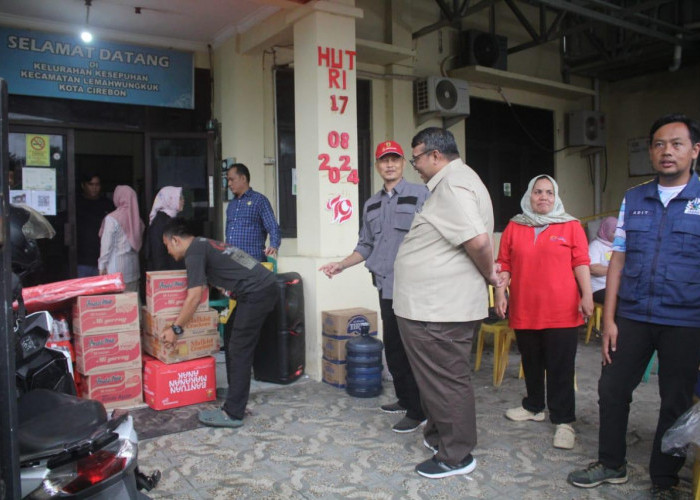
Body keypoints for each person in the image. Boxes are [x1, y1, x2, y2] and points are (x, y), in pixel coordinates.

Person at [568, 114, 700, 498]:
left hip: (685, 320)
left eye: (676, 144)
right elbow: (618, 262)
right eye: (659, 144)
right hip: (633, 315)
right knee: (612, 389)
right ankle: (611, 464)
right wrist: (609, 319)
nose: (666, 152)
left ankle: (665, 479)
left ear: (694, 151)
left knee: (674, 399)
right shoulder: (634, 198)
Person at [393, 127, 501, 479]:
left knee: (446, 380)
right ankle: (440, 434)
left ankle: (456, 455)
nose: (415, 167)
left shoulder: (453, 184)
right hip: (430, 306)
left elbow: (480, 243)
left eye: (416, 159)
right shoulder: (454, 182)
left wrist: (492, 277)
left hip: (441, 309)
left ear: (435, 155)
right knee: (434, 379)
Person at [319, 140, 429, 433]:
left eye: (394, 159)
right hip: (386, 287)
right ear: (377, 166)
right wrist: (341, 265)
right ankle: (406, 399)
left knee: (413, 350)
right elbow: (366, 245)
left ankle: (420, 411)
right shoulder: (372, 204)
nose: (389, 164)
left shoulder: (421, 194)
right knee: (393, 348)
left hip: (414, 287)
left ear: (404, 163)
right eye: (383, 160)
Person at [494, 175, 593, 450]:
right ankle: (534, 406)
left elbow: (581, 263)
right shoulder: (515, 226)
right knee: (532, 362)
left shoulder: (571, 225)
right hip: (525, 308)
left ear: (556, 196)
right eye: (538, 192)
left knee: (561, 367)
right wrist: (500, 294)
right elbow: (504, 264)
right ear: (529, 195)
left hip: (562, 310)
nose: (544, 197)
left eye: (549, 192)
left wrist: (586, 295)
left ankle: (563, 421)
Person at [160, 217, 278, 428]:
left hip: (256, 292)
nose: (168, 251)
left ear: (176, 240)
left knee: (239, 348)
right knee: (232, 336)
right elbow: (243, 261)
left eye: (167, 245)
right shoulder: (206, 243)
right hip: (260, 287)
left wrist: (176, 328)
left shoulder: (194, 252)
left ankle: (233, 413)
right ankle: (236, 395)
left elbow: (194, 296)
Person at [225, 163, 281, 262]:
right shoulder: (231, 205)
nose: (229, 184)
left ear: (243, 178)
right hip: (231, 261)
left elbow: (273, 226)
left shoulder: (259, 200)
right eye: (228, 180)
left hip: (252, 260)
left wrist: (274, 245)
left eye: (232, 179)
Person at [98, 185, 144, 293]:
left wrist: (102, 267)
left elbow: (106, 246)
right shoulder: (138, 220)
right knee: (132, 305)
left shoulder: (112, 219)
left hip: (115, 271)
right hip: (133, 271)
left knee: (118, 306)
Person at [76, 172, 114, 277]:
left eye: (97, 185)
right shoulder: (76, 203)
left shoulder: (107, 204)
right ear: (83, 185)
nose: (94, 188)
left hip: (102, 258)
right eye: (91, 184)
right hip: (82, 259)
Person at [145, 186, 185, 271]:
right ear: (169, 200)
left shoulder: (168, 219)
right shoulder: (161, 222)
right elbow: (158, 253)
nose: (183, 201)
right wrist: (162, 277)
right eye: (179, 198)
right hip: (166, 276)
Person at [588, 216, 617, 304]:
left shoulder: (619, 246)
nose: (617, 235)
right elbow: (593, 269)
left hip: (616, 286)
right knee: (619, 303)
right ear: (606, 231)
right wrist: (617, 270)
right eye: (614, 232)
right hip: (600, 288)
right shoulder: (595, 246)